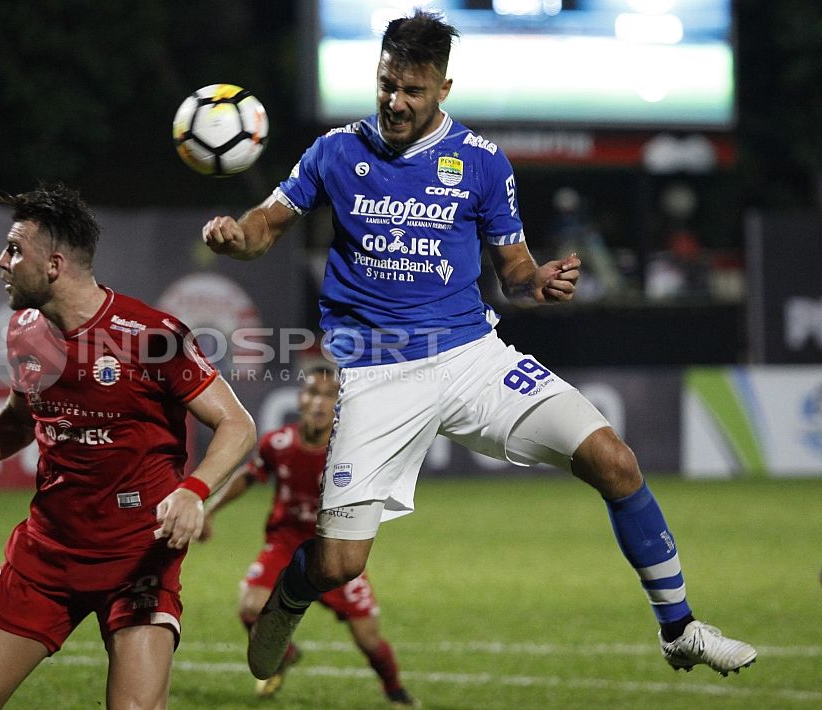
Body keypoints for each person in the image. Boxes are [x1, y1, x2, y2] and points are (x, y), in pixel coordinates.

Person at [200, 10, 756, 683]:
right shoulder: (335, 152)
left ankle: (680, 629)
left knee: (614, 460)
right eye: (386, 84)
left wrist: (539, 280)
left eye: (411, 89)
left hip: (473, 358)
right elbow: (267, 225)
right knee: (340, 565)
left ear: (443, 89)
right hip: (379, 375)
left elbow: (513, 272)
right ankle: (287, 602)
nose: (395, 101)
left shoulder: (483, 163)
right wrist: (238, 236)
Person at [0, 183, 256, 710]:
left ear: (54, 265)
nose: (1, 261)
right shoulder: (24, 331)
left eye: (15, 249)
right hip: (47, 554)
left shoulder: (151, 336)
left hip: (138, 556)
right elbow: (20, 422)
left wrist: (193, 491)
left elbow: (237, 424)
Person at [201, 366, 420, 707]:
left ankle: (395, 691)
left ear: (340, 404)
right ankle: (283, 654)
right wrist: (210, 510)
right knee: (250, 607)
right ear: (299, 398)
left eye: (328, 395)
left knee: (368, 638)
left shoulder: (350, 452)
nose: (318, 403)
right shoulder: (279, 442)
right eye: (312, 393)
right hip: (284, 546)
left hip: (334, 550)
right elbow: (250, 475)